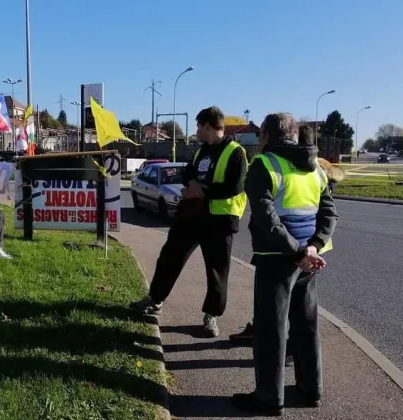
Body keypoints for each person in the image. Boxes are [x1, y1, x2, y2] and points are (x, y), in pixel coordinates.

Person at [232, 113, 338, 416]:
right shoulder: (315, 167)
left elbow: (267, 219)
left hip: (278, 259)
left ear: (266, 136)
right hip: (308, 261)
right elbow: (329, 214)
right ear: (293, 136)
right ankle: (310, 389)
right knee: (306, 326)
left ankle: (268, 398)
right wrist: (312, 248)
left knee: (270, 329)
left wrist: (296, 253)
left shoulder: (263, 165)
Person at [129, 106, 248, 336]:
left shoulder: (236, 152)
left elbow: (236, 187)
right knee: (170, 255)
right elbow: (187, 173)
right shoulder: (201, 150)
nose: (196, 131)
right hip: (192, 215)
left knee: (217, 270)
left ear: (207, 125)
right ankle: (155, 300)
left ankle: (211, 316)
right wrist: (191, 183)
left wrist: (202, 190)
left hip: (220, 219)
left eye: (198, 126)